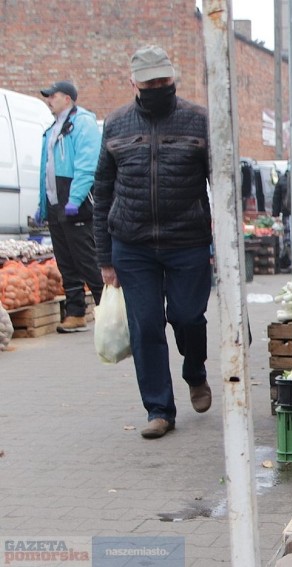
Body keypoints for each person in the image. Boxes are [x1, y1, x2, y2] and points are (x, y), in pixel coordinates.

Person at [93, 45, 212, 440]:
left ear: (173, 77)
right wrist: (104, 259)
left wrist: (226, 246)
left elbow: (225, 184)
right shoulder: (116, 124)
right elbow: (103, 191)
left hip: (188, 241)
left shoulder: (199, 121)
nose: (158, 87)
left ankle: (195, 371)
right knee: (144, 326)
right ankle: (159, 409)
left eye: (163, 80)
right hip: (132, 244)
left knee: (187, 318)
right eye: (149, 83)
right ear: (134, 84)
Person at [37, 80, 104, 332]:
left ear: (68, 98)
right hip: (57, 204)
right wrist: (43, 205)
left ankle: (106, 309)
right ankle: (75, 312)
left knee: (86, 258)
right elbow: (46, 170)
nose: (49, 100)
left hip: (75, 202)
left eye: (53, 96)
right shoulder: (53, 128)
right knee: (65, 261)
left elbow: (87, 165)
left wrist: (75, 199)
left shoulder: (82, 123)